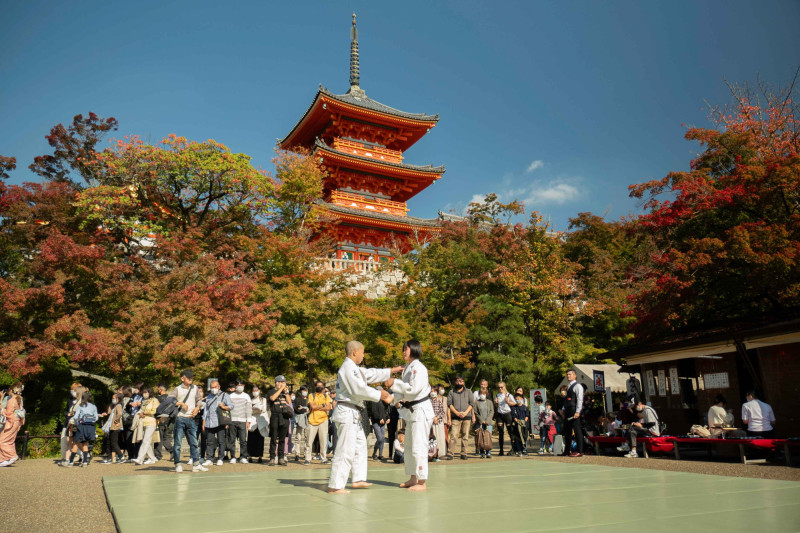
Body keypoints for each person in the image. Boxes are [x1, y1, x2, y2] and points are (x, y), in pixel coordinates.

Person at [327, 340, 400, 494]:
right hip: (347, 411)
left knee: (360, 444)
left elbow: (371, 373)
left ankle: (358, 478)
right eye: (362, 352)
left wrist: (391, 370)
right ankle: (335, 485)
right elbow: (357, 390)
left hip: (354, 412)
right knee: (345, 449)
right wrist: (379, 394)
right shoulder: (347, 368)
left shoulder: (355, 369)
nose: (363, 355)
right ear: (354, 352)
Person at [385, 339, 434, 492]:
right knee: (409, 446)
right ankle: (413, 478)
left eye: (405, 349)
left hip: (421, 411)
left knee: (419, 446)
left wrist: (394, 382)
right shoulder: (408, 368)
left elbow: (413, 390)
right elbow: (402, 392)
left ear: (413, 349)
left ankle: (422, 481)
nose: (403, 352)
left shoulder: (419, 368)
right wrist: (395, 400)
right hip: (411, 412)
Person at [169, 370, 208, 473]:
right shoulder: (177, 389)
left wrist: (197, 408)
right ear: (182, 378)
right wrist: (181, 403)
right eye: (188, 377)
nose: (191, 379)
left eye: (192, 377)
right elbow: (170, 400)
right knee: (178, 443)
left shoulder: (195, 388)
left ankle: (196, 464)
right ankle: (177, 464)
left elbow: (199, 400)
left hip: (191, 418)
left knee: (194, 443)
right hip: (180, 418)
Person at [63, 390, 98, 467]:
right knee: (85, 443)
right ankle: (85, 462)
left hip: (81, 426)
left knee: (76, 443)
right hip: (91, 427)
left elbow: (75, 417)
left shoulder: (81, 406)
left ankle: (71, 461)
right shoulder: (94, 406)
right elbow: (96, 418)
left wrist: (76, 422)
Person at [201, 379, 232, 466]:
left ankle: (220, 458)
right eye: (211, 387)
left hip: (220, 421)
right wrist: (204, 422)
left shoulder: (224, 395)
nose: (213, 389)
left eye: (215, 387)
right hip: (209, 422)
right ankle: (210, 458)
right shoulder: (209, 397)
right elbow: (206, 410)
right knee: (210, 441)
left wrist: (223, 406)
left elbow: (231, 406)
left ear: (219, 387)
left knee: (221, 441)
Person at [447, 376, 476, 460]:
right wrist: (456, 413)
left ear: (464, 382)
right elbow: (449, 404)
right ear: (455, 382)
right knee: (454, 435)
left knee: (465, 436)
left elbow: (471, 403)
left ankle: (464, 453)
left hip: (466, 416)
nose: (460, 383)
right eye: (458, 381)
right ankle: (450, 453)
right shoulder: (451, 392)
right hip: (456, 417)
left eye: (461, 381)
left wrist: (466, 412)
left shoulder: (469, 391)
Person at [559, 369, 584, 457]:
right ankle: (567, 451)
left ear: (574, 375)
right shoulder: (568, 386)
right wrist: (563, 409)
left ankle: (579, 451)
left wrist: (578, 411)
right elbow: (567, 400)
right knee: (567, 431)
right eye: (567, 374)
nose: (568, 376)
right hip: (568, 410)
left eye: (570, 374)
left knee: (577, 430)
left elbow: (580, 399)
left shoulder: (578, 386)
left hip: (574, 410)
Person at [306, 380, 332, 465]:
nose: (319, 387)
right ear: (315, 386)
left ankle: (323, 458)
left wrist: (319, 407)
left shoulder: (326, 396)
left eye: (321, 385)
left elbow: (329, 407)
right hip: (312, 420)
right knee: (309, 441)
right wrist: (323, 406)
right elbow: (312, 407)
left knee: (323, 440)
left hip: (323, 420)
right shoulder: (311, 395)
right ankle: (307, 458)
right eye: (318, 385)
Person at [226, 379, 251, 464]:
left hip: (243, 421)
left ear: (244, 386)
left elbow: (248, 409)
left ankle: (243, 456)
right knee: (232, 439)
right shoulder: (231, 396)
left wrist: (248, 420)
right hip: (232, 420)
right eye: (238, 385)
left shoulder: (246, 396)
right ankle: (233, 456)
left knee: (243, 440)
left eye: (241, 385)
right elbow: (227, 409)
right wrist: (227, 421)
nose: (240, 387)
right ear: (235, 386)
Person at [133, 387, 160, 465]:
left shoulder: (154, 400)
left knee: (145, 440)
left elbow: (154, 411)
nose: (144, 394)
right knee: (146, 441)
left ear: (150, 392)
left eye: (146, 392)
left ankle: (140, 458)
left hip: (151, 422)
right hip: (143, 422)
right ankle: (152, 458)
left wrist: (144, 413)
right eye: (143, 392)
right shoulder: (144, 401)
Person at [0, 383, 25, 466]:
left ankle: (12, 456)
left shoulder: (11, 401)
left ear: (11, 390)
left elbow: (8, 414)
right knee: (10, 441)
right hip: (17, 422)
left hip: (12, 422)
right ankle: (4, 459)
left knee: (2, 440)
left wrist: (1, 410)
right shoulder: (19, 399)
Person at [100, 394, 124, 464]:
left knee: (114, 442)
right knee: (110, 442)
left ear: (118, 399)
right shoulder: (114, 406)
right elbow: (109, 412)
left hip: (115, 426)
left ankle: (121, 456)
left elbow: (119, 414)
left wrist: (116, 420)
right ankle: (109, 457)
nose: (112, 399)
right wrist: (111, 405)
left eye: (114, 398)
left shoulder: (118, 406)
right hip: (111, 426)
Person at [494, 382, 517, 456]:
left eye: (501, 387)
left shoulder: (509, 395)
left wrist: (508, 401)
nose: (500, 389)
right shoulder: (497, 395)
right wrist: (496, 403)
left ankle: (513, 449)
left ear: (505, 386)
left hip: (507, 414)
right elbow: (497, 405)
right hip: (500, 414)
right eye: (499, 387)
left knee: (510, 431)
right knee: (501, 433)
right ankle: (501, 450)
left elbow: (515, 403)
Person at [248, 385, 268, 463]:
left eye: (256, 390)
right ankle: (250, 455)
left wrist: (257, 409)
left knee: (260, 439)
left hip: (261, 421)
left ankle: (260, 456)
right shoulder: (250, 400)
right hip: (252, 421)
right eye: (254, 390)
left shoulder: (263, 400)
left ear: (259, 391)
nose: (255, 392)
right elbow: (249, 411)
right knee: (251, 439)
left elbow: (264, 409)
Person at [154, 383, 174, 462]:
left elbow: (156, 409)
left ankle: (158, 455)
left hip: (159, 420)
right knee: (165, 438)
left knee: (158, 438)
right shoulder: (170, 398)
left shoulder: (158, 399)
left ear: (160, 390)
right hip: (168, 420)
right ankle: (173, 451)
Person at [367, 389, 387, 461]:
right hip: (376, 422)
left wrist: (387, 418)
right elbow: (374, 411)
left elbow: (385, 411)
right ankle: (374, 453)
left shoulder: (382, 401)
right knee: (380, 439)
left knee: (382, 439)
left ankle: (380, 455)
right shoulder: (374, 400)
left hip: (382, 422)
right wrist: (380, 418)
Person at [474, 387, 494, 458]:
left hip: (488, 423)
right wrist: (481, 420)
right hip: (480, 423)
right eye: (481, 393)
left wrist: (487, 420)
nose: (483, 395)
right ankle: (482, 453)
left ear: (486, 394)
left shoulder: (490, 402)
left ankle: (488, 452)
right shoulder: (476, 403)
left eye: (484, 393)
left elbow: (492, 411)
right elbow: (476, 412)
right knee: (480, 438)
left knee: (488, 437)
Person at [430, 385, 448, 461]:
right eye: (432, 391)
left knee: (440, 437)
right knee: (432, 439)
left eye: (434, 391)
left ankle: (441, 454)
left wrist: (437, 417)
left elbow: (442, 412)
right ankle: (433, 454)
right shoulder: (427, 401)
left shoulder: (439, 401)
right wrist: (433, 417)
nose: (433, 393)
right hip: (431, 422)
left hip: (439, 422)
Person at [292, 386, 310, 462]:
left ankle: (306, 453)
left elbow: (311, 409)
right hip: (300, 419)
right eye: (303, 391)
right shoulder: (297, 399)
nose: (305, 392)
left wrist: (305, 409)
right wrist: (304, 409)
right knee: (298, 436)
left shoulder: (309, 400)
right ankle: (297, 453)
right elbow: (296, 409)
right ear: (300, 392)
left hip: (308, 419)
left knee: (307, 437)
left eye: (306, 390)